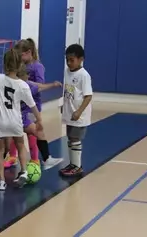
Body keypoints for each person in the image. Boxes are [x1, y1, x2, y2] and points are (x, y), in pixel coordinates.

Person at [0, 49, 42, 191]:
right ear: (20, 65)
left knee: (0, 151)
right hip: (15, 121)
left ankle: (2, 182)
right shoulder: (22, 85)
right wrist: (39, 120)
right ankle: (24, 171)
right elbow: (32, 106)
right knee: (20, 145)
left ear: (4, 64)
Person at [6, 38, 62, 169]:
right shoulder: (21, 67)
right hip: (22, 105)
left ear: (28, 52)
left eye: (21, 55)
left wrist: (51, 85)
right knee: (17, 131)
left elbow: (39, 86)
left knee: (32, 133)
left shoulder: (37, 67)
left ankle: (36, 159)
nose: (19, 58)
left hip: (32, 106)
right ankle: (13, 157)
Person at [59, 44, 93, 177]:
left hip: (79, 114)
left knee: (75, 138)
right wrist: (64, 105)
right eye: (67, 60)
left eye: (72, 60)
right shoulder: (67, 71)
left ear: (81, 59)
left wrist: (79, 111)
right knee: (70, 138)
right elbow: (68, 90)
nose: (69, 63)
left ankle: (77, 166)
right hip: (69, 112)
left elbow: (88, 96)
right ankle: (72, 163)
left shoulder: (84, 75)